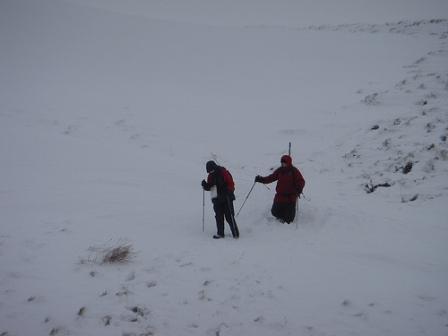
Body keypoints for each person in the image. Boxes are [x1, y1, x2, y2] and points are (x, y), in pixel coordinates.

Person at [255, 155, 305, 224]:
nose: (283, 164)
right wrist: (261, 179)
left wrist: (299, 189)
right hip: (280, 196)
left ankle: (287, 216)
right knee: (274, 212)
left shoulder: (294, 171)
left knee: (289, 220)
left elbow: (301, 181)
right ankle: (282, 215)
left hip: (290, 197)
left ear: (289, 162)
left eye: (285, 163)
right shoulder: (280, 170)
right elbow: (271, 178)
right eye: (282, 163)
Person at [201, 160, 240, 239]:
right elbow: (211, 186)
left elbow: (231, 183)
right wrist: (205, 185)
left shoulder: (223, 172)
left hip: (226, 197)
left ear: (214, 167)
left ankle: (235, 233)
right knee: (218, 216)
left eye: (211, 170)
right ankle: (220, 233)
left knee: (229, 216)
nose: (210, 172)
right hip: (216, 198)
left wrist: (229, 191)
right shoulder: (210, 176)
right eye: (209, 171)